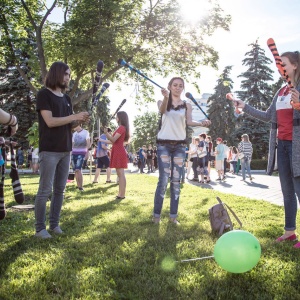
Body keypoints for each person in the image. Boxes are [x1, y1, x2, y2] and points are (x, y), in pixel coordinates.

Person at [233, 50, 300, 247]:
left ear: (294, 66)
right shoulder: (281, 91)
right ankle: (290, 232)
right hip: (282, 147)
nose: (281, 68)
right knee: (287, 192)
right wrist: (244, 106)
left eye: (284, 64)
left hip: (298, 149)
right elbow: (267, 115)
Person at [34, 61, 90, 239]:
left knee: (60, 190)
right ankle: (39, 229)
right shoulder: (43, 95)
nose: (68, 78)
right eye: (66, 74)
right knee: (45, 191)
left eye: (70, 75)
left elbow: (69, 125)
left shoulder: (66, 99)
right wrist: (73, 116)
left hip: (66, 150)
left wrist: (79, 121)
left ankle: (54, 224)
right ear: (57, 74)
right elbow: (50, 121)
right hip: (49, 150)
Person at [153, 77, 211, 224]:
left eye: (180, 86)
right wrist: (166, 97)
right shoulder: (162, 101)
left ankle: (173, 217)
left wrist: (202, 123)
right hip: (163, 145)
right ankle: (156, 216)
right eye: (175, 85)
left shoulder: (187, 105)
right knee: (163, 180)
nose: (178, 88)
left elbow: (190, 122)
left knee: (176, 181)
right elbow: (163, 110)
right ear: (169, 87)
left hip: (179, 146)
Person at [103, 111, 130, 200]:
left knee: (121, 174)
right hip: (117, 150)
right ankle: (120, 194)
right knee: (120, 174)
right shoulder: (120, 128)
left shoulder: (121, 128)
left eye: (117, 117)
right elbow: (113, 140)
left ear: (120, 118)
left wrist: (107, 133)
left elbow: (113, 140)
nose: (116, 118)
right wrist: (106, 135)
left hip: (119, 151)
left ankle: (122, 195)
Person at [72, 124, 90, 191]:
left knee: (78, 169)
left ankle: (81, 187)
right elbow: (73, 144)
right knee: (76, 170)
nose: (73, 127)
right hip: (74, 153)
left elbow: (88, 142)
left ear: (78, 125)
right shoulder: (74, 134)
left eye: (74, 125)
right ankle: (78, 185)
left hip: (82, 153)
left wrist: (87, 152)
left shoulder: (85, 132)